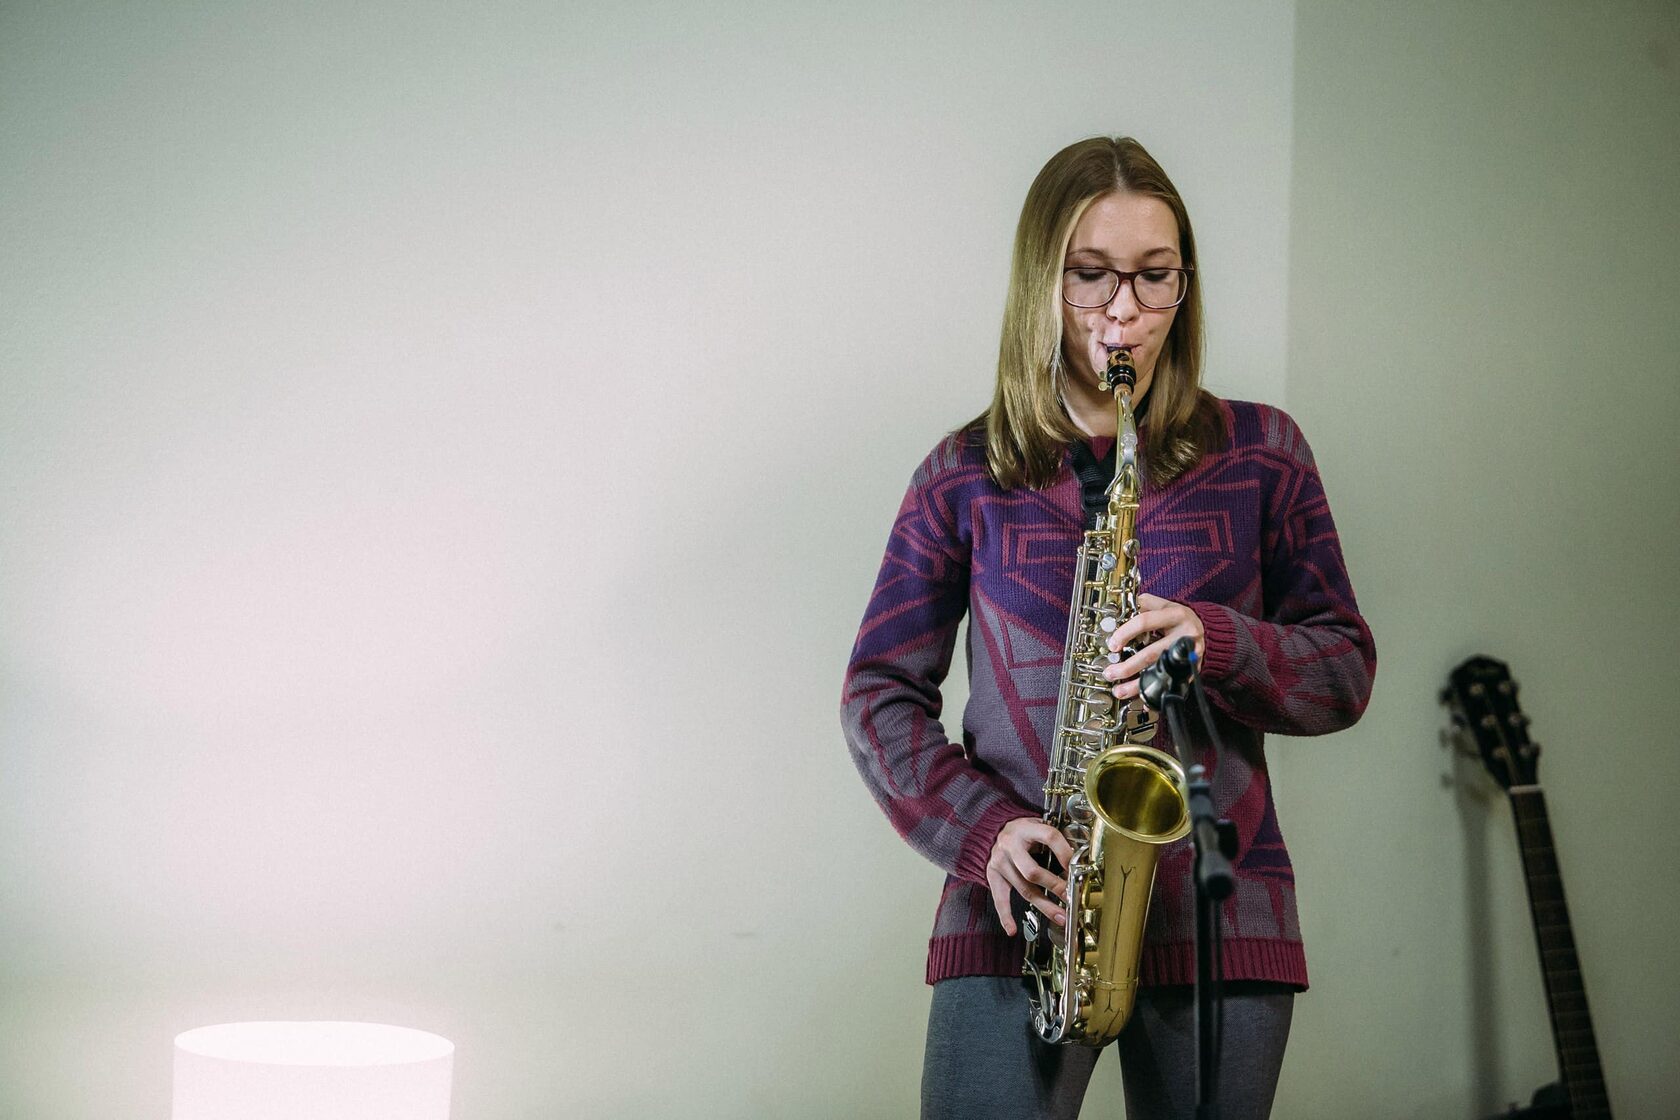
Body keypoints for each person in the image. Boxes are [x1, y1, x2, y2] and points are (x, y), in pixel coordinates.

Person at [839, 136, 1376, 1120]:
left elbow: (1343, 670)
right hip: (1018, 910)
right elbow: (877, 694)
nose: (1122, 311)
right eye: (1090, 274)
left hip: (1220, 920)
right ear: (1041, 282)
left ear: (1185, 285)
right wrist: (985, 834)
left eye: (1153, 276)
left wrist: (1215, 640)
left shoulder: (1265, 453)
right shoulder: (963, 472)